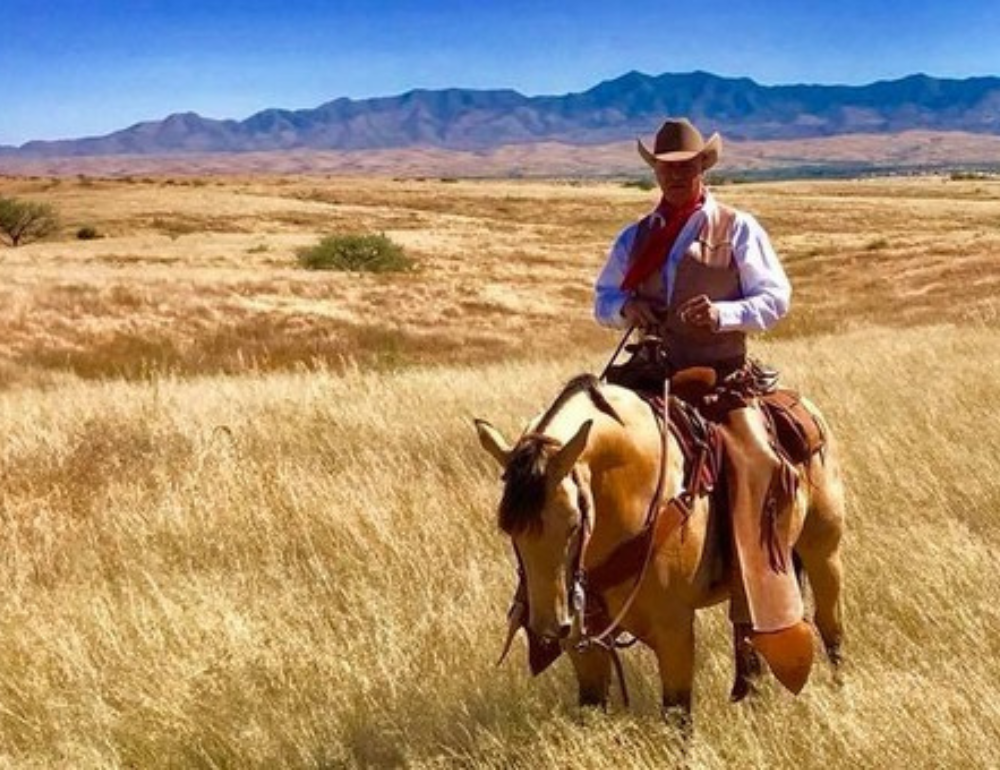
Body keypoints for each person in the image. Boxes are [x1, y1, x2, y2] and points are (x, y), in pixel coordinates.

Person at [593, 117, 813, 694]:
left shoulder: (736, 228)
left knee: (759, 467)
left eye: (685, 166)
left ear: (703, 168)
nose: (675, 175)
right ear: (655, 171)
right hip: (650, 375)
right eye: (666, 167)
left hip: (721, 378)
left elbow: (775, 299)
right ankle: (588, 603)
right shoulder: (635, 236)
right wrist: (627, 311)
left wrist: (723, 314)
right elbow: (602, 298)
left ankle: (759, 612)